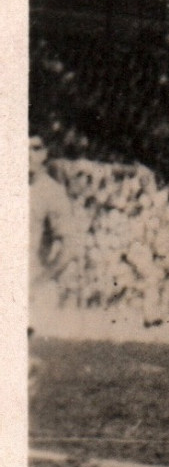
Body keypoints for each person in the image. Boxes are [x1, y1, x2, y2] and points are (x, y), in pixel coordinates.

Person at [29, 135, 82, 327]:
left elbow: (69, 248)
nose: (27, 155)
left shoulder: (52, 193)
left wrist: (39, 282)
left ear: (44, 153)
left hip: (31, 286)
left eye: (34, 149)